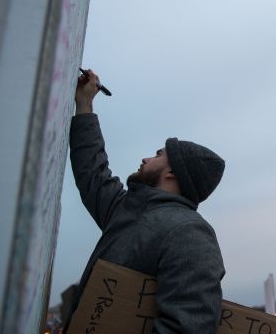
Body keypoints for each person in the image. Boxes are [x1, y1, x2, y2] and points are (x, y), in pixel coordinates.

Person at [64, 69, 226, 333]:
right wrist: (85, 105)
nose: (146, 159)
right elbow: (93, 173)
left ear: (172, 172)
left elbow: (187, 328)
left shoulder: (191, 233)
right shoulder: (128, 210)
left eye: (157, 155)